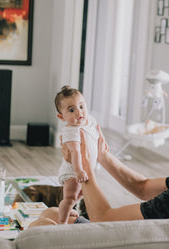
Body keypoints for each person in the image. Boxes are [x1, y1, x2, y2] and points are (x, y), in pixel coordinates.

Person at [29, 94, 169, 226]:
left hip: (116, 239)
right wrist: (101, 154)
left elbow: (103, 219)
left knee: (39, 228)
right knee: (50, 212)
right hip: (128, 235)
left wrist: (83, 166)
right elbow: (142, 186)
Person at [53, 85, 99, 224]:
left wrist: (102, 141)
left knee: (81, 194)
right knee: (69, 197)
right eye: (71, 110)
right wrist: (78, 171)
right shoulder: (71, 131)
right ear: (62, 117)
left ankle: (70, 208)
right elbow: (75, 152)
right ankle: (62, 221)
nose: (79, 112)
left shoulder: (88, 120)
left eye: (81, 106)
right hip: (72, 172)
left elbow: (96, 128)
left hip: (84, 169)